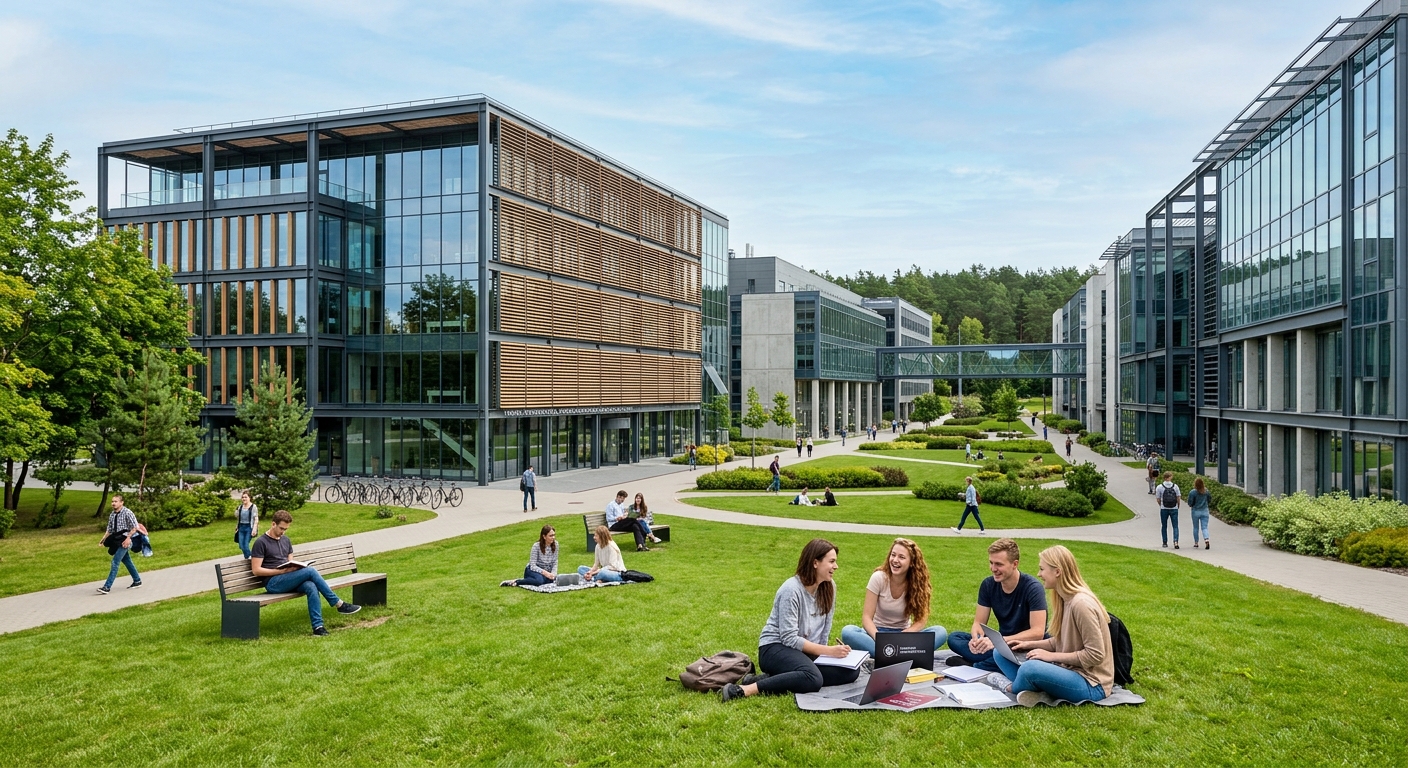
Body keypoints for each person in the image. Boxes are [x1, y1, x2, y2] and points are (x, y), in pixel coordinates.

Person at [720, 539, 858, 702]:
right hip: (775, 648)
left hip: (804, 651)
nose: (836, 566)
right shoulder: (791, 589)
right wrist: (827, 651)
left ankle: (768, 679)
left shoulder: (829, 587)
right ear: (815, 562)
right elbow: (789, 638)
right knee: (813, 678)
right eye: (832, 561)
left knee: (850, 671)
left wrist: (829, 654)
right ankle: (745, 689)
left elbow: (824, 630)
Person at [997, 545, 1114, 707]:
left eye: (1042, 569)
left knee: (1030, 669)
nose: (1039, 574)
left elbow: (1095, 655)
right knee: (1000, 651)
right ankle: (1035, 688)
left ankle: (1011, 687)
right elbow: (1059, 641)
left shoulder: (1081, 604)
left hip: (1092, 684)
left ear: (1057, 572)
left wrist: (1051, 656)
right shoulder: (1064, 600)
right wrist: (1028, 645)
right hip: (1067, 671)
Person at [251, 510, 361, 635]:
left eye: (286, 529)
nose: (283, 532)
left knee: (311, 586)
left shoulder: (285, 540)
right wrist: (280, 571)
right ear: (273, 524)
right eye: (281, 528)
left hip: (288, 579)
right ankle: (338, 604)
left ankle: (318, 627)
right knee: (311, 571)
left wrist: (293, 568)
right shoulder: (261, 542)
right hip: (273, 583)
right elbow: (256, 570)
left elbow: (289, 562)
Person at [946, 538, 1048, 672]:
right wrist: (977, 640)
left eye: (999, 564)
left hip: (1024, 645)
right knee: (954, 638)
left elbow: (1037, 633)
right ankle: (991, 661)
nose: (993, 569)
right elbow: (979, 623)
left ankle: (974, 665)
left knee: (1017, 656)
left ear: (1014, 564)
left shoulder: (1033, 588)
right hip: (1000, 642)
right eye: (991, 563)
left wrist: (998, 642)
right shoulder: (988, 585)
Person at [840, 538, 948, 657]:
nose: (895, 560)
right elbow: (866, 618)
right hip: (877, 633)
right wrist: (880, 639)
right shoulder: (878, 578)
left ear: (911, 562)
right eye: (893, 555)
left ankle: (890, 654)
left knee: (940, 632)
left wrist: (905, 635)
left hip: (903, 635)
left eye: (901, 557)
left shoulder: (918, 583)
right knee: (848, 631)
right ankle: (901, 654)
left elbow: (921, 620)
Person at [97, 494, 142, 594]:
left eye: (116, 501)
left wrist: (128, 538)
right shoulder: (112, 515)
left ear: (122, 502)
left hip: (126, 541)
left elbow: (135, 527)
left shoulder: (127, 513)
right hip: (117, 541)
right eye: (112, 501)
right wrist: (103, 539)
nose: (113, 503)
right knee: (127, 561)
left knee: (115, 562)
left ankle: (107, 587)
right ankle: (137, 580)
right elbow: (109, 529)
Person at [1157, 471, 1181, 549]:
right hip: (1174, 508)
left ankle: (1164, 542)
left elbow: (1158, 499)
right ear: (1170, 477)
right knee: (1175, 526)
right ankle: (1176, 541)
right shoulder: (1175, 486)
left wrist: (1161, 505)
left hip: (1164, 508)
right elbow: (1178, 497)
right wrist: (1178, 505)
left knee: (1164, 525)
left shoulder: (1160, 487)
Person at [234, 491, 259, 559]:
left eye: (246, 497)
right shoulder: (240, 507)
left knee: (245, 545)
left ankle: (251, 558)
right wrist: (237, 527)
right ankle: (249, 558)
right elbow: (238, 518)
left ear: (249, 498)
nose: (244, 499)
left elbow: (256, 519)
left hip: (249, 528)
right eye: (243, 497)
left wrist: (254, 529)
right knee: (241, 545)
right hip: (241, 527)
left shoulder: (253, 507)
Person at [1188, 477, 1212, 549]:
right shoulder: (1206, 491)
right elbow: (1209, 499)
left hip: (1195, 511)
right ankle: (1206, 539)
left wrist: (1191, 505)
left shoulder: (1193, 492)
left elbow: (1190, 502)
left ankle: (1196, 542)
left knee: (1195, 527)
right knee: (1204, 527)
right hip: (1205, 510)